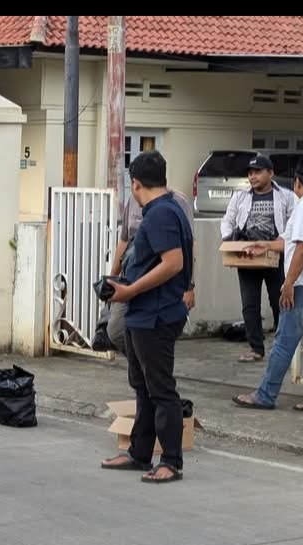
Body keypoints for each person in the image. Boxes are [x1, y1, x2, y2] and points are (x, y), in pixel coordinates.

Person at [101, 151, 194, 483]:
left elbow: (174, 263)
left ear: (135, 184)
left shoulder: (161, 215)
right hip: (144, 311)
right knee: (142, 386)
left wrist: (130, 291)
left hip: (156, 313)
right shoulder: (168, 208)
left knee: (160, 388)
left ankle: (171, 460)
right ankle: (140, 453)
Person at [232, 159, 303, 414]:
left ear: (298, 183)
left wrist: (289, 283)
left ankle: (265, 395)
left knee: (284, 341)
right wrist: (267, 246)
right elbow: (290, 241)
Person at [220, 155, 297, 363]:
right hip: (247, 255)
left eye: (257, 172)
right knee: (249, 304)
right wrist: (229, 241)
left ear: (270, 173)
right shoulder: (240, 196)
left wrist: (281, 241)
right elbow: (227, 220)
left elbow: (294, 224)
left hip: (274, 255)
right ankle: (256, 348)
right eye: (250, 173)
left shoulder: (287, 196)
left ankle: (283, 350)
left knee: (279, 302)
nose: (252, 177)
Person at [107, 189, 196, 355]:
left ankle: (152, 367)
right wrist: (113, 278)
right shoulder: (133, 202)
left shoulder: (175, 204)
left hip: (160, 285)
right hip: (129, 279)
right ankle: (144, 365)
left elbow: (186, 247)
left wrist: (189, 286)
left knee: (152, 337)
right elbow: (124, 241)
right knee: (116, 331)